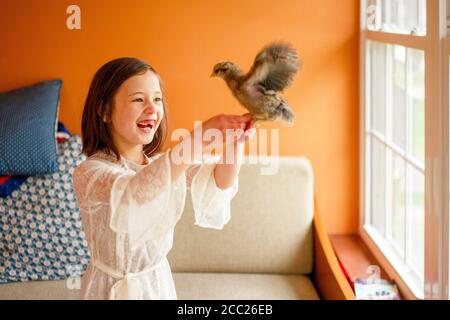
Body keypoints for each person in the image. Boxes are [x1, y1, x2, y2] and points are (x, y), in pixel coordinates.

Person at [72, 57, 255, 300]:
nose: (152, 109)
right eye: (138, 99)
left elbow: (220, 181)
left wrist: (235, 142)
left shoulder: (163, 164)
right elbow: (136, 192)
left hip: (155, 285)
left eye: (157, 99)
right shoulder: (90, 172)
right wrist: (198, 139)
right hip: (108, 289)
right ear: (104, 110)